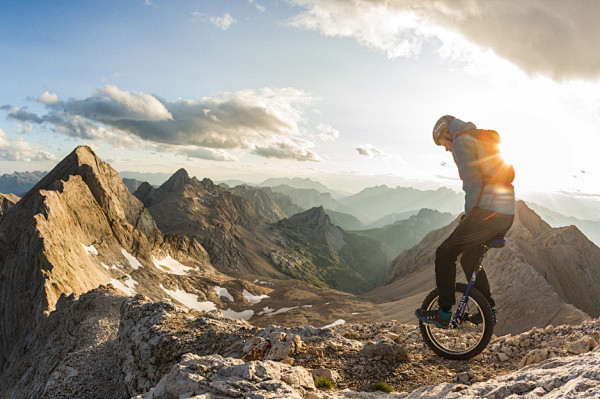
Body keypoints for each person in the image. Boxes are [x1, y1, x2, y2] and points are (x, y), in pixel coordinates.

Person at [415, 115, 515, 328]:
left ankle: (443, 312)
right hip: (506, 214)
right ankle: (486, 309)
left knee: (444, 253)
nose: (446, 150)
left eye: (443, 144)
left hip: (489, 212)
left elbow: (472, 183)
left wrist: (471, 213)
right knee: (469, 258)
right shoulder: (477, 138)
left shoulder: (461, 142)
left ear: (447, 134)